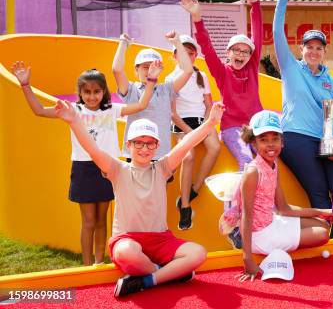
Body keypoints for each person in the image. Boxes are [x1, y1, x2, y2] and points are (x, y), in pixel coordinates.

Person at [55, 100, 225, 297]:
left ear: (157, 145)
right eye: (138, 142)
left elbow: (187, 142)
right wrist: (74, 121)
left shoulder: (162, 167)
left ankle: (147, 280)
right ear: (128, 145)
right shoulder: (117, 169)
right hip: (128, 239)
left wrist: (211, 122)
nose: (144, 148)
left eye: (150, 143)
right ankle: (169, 273)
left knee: (198, 253)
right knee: (125, 253)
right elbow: (93, 149)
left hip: (161, 240)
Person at [11, 62, 158, 266]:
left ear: (104, 91)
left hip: (108, 168)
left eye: (97, 91)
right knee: (88, 221)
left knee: (102, 220)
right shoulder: (73, 110)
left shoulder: (111, 110)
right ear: (80, 92)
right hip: (83, 168)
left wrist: (151, 80)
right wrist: (25, 84)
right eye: (87, 92)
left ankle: (99, 262)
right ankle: (87, 265)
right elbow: (39, 111)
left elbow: (141, 105)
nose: (92, 96)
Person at [273, 0, 333, 237]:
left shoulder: (329, 79)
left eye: (318, 47)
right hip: (295, 138)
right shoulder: (289, 67)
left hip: (324, 138)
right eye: (309, 47)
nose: (313, 51)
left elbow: (332, 114)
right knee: (319, 189)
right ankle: (331, 236)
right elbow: (276, 30)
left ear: (324, 51)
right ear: (301, 49)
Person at [229, 111, 333, 282]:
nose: (270, 145)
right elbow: (246, 216)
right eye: (263, 139)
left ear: (282, 141)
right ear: (254, 143)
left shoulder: (274, 164)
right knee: (323, 234)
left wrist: (322, 211)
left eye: (275, 139)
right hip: (261, 236)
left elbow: (284, 209)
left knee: (323, 224)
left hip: (273, 220)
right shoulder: (252, 172)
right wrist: (247, 258)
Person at [180, 0, 263, 171]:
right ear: (228, 53)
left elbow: (257, 36)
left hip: (256, 125)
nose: (241, 54)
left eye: (245, 51)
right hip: (232, 128)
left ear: (251, 56)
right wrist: (197, 17)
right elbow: (206, 46)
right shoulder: (221, 71)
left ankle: (267, 200)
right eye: (236, 50)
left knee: (269, 160)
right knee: (247, 161)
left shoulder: (251, 67)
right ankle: (242, 200)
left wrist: (255, 4)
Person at [166, 34, 221, 230]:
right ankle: (186, 207)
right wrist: (192, 133)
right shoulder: (171, 79)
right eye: (182, 53)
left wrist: (206, 125)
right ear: (174, 56)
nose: (186, 56)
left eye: (190, 53)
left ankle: (193, 191)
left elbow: (208, 104)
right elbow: (172, 114)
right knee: (188, 156)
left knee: (215, 147)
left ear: (195, 56)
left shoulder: (201, 76)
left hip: (202, 120)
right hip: (182, 124)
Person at [112, 32, 193, 161]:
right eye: (145, 67)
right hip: (135, 153)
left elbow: (188, 70)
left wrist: (177, 43)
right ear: (136, 70)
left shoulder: (167, 89)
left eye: (153, 67)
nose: (149, 70)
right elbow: (117, 70)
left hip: (160, 154)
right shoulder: (131, 89)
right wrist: (123, 43)